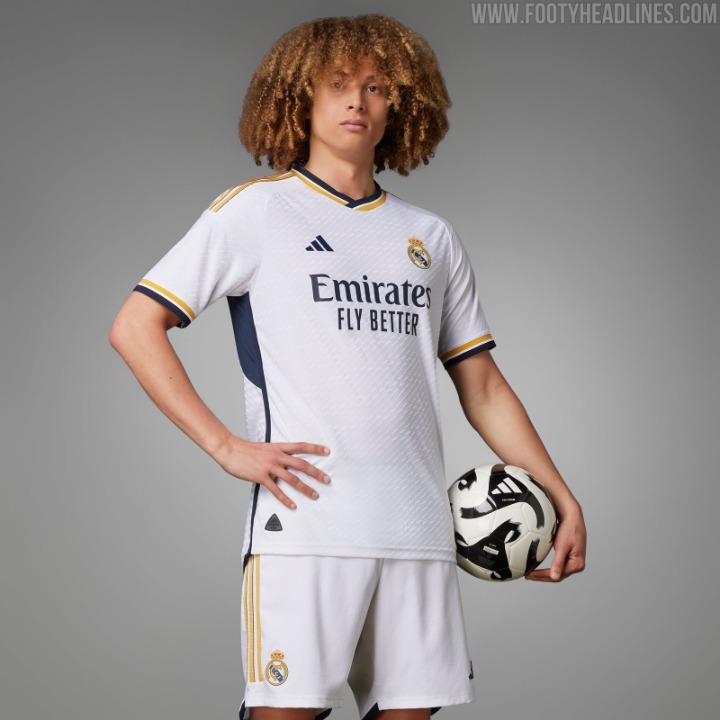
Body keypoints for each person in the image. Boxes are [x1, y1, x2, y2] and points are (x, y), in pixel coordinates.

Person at [109, 13, 586, 720]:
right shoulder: (257, 211)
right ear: (300, 97)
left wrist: (561, 496)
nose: (357, 100)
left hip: (418, 530)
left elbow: (483, 388)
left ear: (401, 105)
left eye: (376, 86)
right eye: (337, 84)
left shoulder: (430, 237)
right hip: (308, 528)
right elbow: (134, 327)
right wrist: (225, 446)